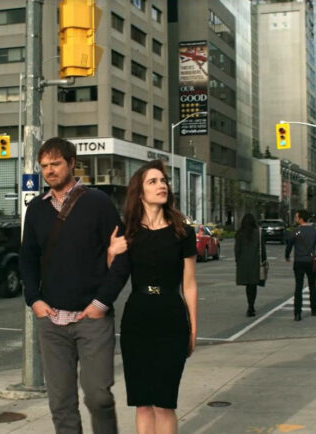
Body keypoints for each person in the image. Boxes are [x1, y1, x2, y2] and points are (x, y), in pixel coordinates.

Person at [19, 137, 129, 434]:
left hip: (92, 318)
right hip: (52, 321)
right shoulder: (36, 210)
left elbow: (121, 256)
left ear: (71, 163)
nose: (49, 171)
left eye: (55, 164)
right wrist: (34, 300)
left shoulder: (98, 203)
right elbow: (27, 259)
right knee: (61, 403)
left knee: (98, 396)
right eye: (44, 166)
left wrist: (100, 304)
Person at [106, 160, 198, 434]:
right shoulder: (127, 233)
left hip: (171, 319)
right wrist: (112, 252)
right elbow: (113, 278)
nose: (162, 186)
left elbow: (190, 285)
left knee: (164, 404)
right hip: (137, 320)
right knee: (143, 403)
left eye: (163, 181)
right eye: (153, 181)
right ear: (140, 192)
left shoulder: (183, 232)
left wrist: (193, 327)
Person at [285, 209, 316, 321]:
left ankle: (297, 313)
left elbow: (289, 245)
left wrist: (287, 256)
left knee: (298, 287)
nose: (295, 218)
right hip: (311, 261)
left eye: (296, 216)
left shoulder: (295, 231)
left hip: (299, 261)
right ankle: (314, 309)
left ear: (300, 218)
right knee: (312, 285)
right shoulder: (314, 231)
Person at [235, 213, 266, 317]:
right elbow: (262, 249)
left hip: (243, 262)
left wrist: (237, 262)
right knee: (253, 285)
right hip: (255, 261)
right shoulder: (258, 233)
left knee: (248, 285)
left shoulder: (240, 233)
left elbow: (237, 249)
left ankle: (250, 305)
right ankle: (251, 306)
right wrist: (264, 261)